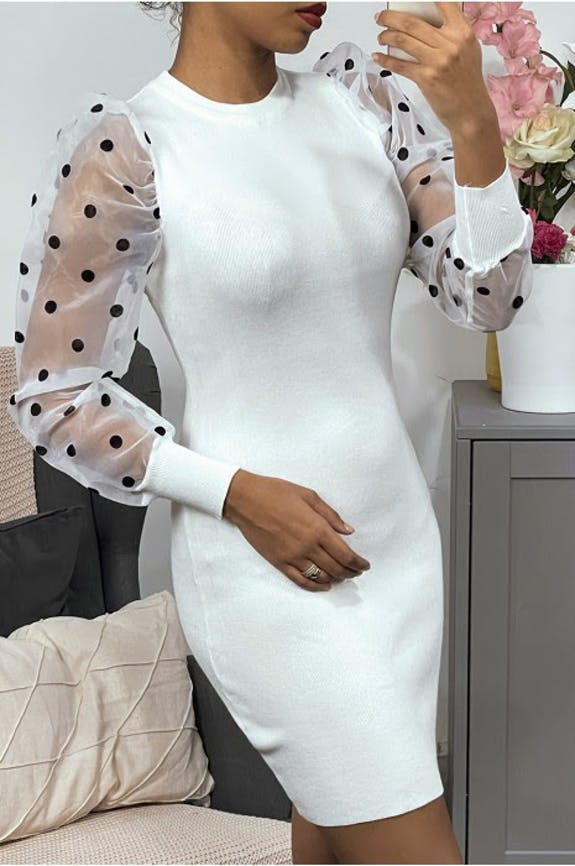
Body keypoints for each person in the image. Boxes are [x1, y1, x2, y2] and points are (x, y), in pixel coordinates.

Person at [7, 2, 534, 862]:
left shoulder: (363, 102)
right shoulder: (130, 146)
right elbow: (54, 393)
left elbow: (487, 299)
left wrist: (473, 121)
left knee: (334, 829)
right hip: (262, 566)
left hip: (395, 549)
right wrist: (235, 495)